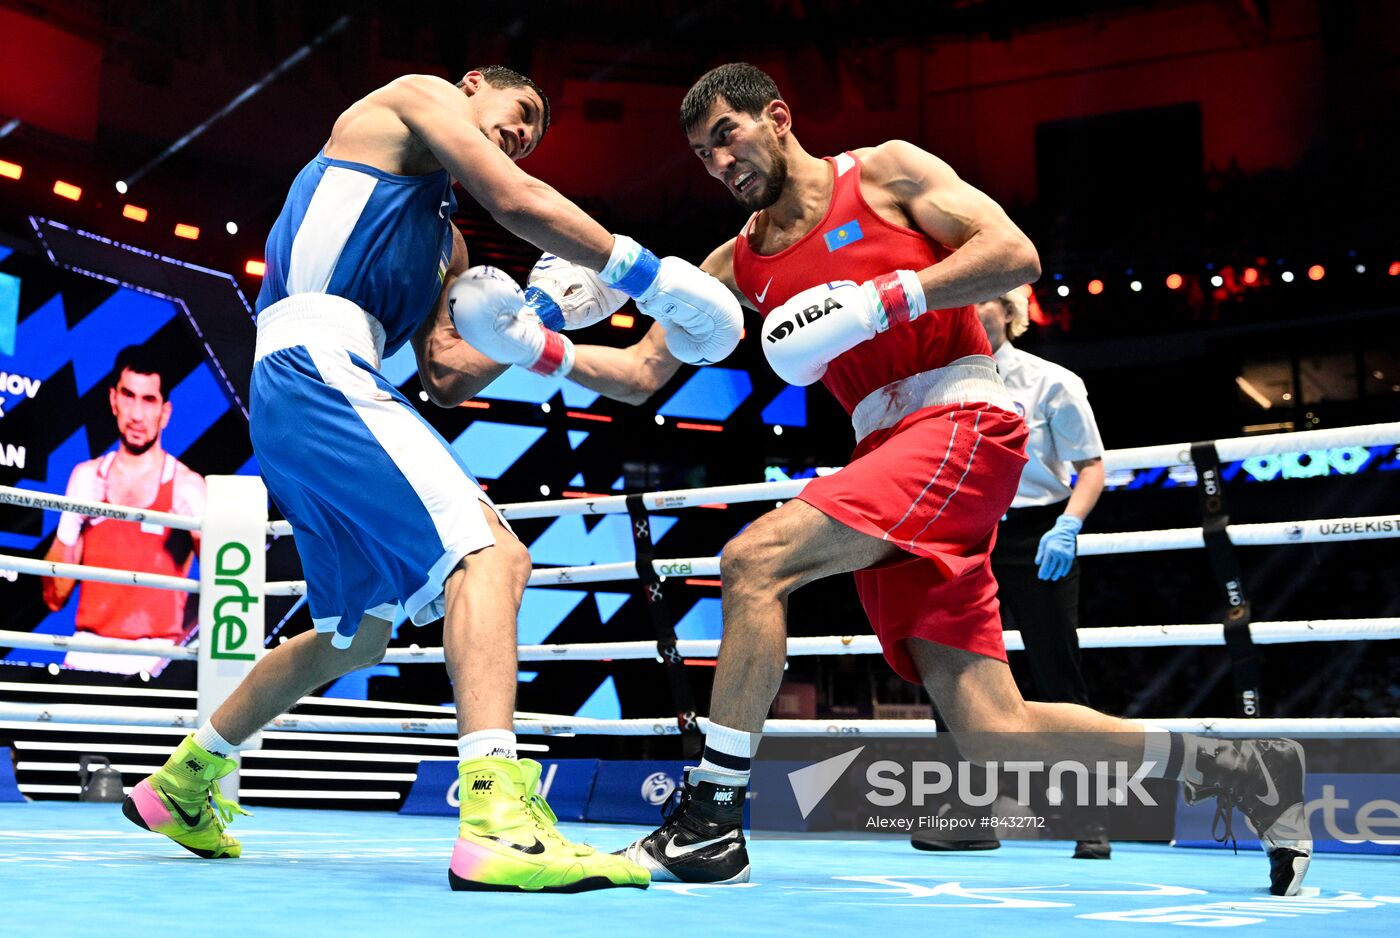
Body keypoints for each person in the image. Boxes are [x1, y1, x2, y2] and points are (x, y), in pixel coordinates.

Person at [458, 63, 1311, 896]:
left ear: (779, 118)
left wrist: (884, 300)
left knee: (756, 562)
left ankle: (713, 818)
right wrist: (537, 349)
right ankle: (1242, 768)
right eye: (703, 156)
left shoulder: (888, 172)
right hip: (887, 449)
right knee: (996, 733)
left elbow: (1014, 254)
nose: (720, 164)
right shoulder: (737, 264)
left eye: (728, 136)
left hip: (965, 419)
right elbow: (645, 372)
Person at [123, 65, 741, 894]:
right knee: (493, 558)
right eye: (519, 112)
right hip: (319, 365)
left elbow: (447, 374)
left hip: (318, 386)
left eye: (534, 132)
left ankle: (185, 781)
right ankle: (494, 817)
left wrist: (538, 319)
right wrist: (653, 277)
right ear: (473, 84)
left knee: (357, 634)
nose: (520, 134)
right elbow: (517, 200)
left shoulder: (443, 243)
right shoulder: (412, 99)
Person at [911, 286, 1110, 858]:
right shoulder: (936, 380)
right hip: (961, 532)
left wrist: (1068, 524)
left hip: (1035, 533)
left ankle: (1089, 815)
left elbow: (1091, 466)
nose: (972, 313)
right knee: (955, 671)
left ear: (1009, 312)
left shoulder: (1053, 381)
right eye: (963, 304)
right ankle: (967, 815)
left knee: (1055, 669)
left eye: (982, 302)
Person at [42, 345, 206, 675]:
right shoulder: (87, 477)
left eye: (148, 400)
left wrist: (206, 535)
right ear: (113, 399)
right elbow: (53, 597)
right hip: (85, 654)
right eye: (128, 396)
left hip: (157, 661)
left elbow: (231, 590)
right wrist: (70, 524)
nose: (136, 414)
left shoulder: (187, 485)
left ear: (165, 412)